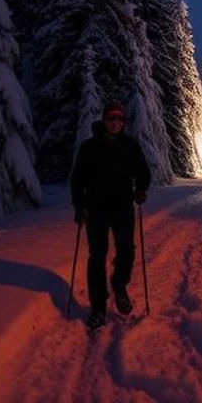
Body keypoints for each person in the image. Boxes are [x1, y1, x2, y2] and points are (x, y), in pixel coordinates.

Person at [70, 103, 151, 329]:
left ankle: (119, 285)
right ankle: (98, 306)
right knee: (97, 255)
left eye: (119, 119)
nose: (115, 123)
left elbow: (143, 173)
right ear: (104, 120)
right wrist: (78, 206)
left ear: (123, 122)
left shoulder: (130, 146)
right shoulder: (89, 147)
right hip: (96, 209)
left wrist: (141, 190)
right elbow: (77, 179)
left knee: (126, 251)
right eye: (111, 119)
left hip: (123, 207)